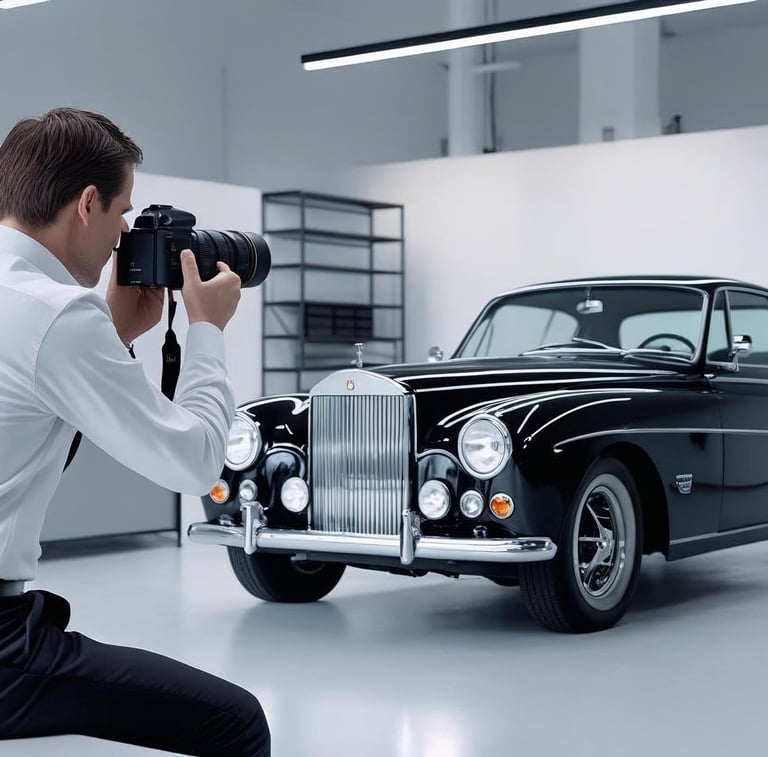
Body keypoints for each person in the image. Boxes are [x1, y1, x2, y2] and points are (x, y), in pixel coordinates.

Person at [0, 107, 270, 755]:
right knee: (237, 723)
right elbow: (195, 464)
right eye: (123, 212)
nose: (124, 234)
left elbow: (21, 418)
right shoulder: (57, 314)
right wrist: (206, 331)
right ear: (87, 204)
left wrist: (114, 331)